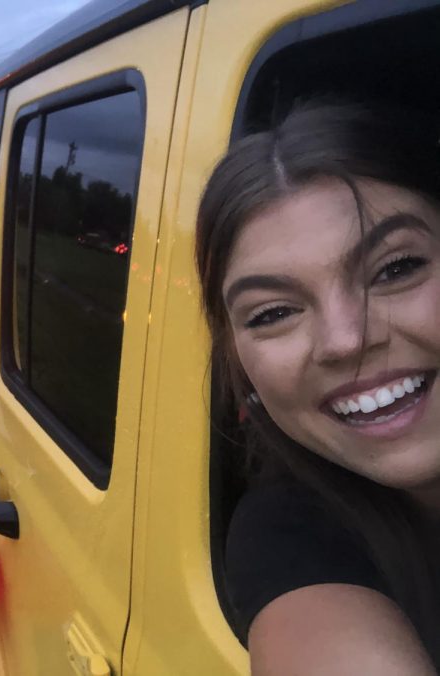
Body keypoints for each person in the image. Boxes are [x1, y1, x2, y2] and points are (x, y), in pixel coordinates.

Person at [195, 102, 440, 674]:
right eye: (274, 312)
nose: (345, 341)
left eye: (396, 269)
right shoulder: (287, 536)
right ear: (238, 362)